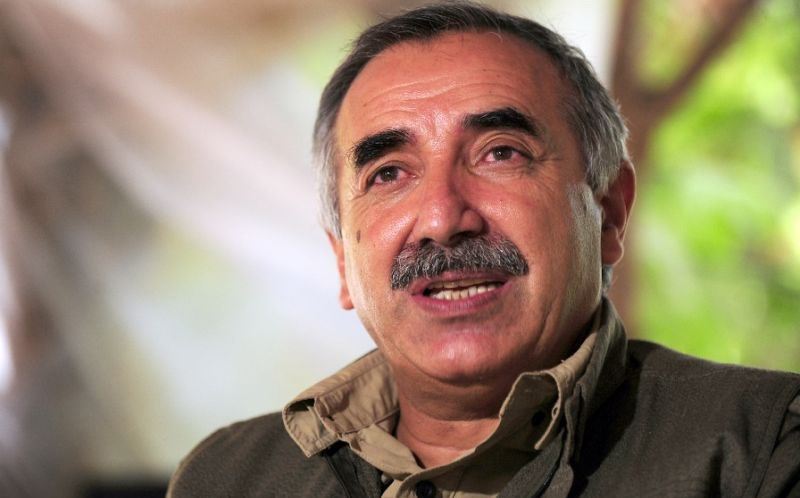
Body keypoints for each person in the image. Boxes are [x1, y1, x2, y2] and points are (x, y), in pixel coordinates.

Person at [167, 2, 800, 497]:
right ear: (341, 262)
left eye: (500, 153)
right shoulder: (228, 479)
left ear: (609, 212)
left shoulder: (763, 446)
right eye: (389, 173)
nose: (443, 219)